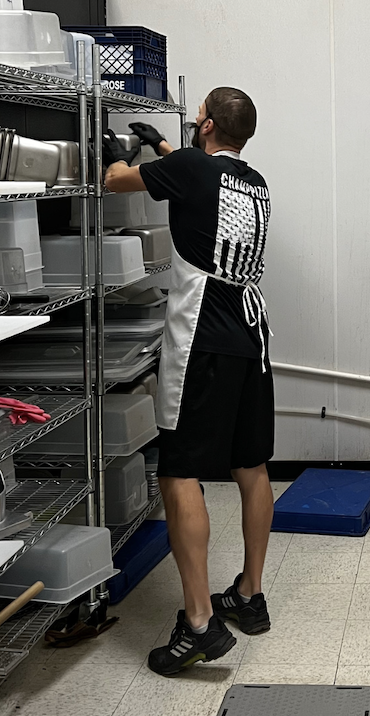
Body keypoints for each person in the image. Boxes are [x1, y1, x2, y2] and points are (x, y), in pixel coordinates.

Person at [102, 87, 275, 676]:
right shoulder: (253, 182)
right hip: (251, 336)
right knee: (251, 466)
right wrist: (168, 148)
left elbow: (116, 181)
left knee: (179, 471)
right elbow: (201, 181)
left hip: (203, 335)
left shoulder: (186, 168)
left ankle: (199, 623)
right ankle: (250, 594)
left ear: (203, 123)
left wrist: (120, 155)